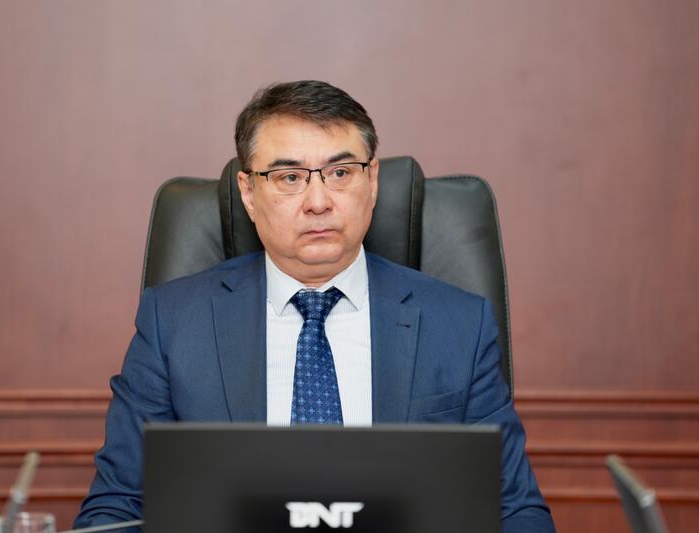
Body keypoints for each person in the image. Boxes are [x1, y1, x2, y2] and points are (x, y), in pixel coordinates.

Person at [74, 80, 556, 532]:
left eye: (340, 173)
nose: (318, 201)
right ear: (248, 192)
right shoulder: (174, 323)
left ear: (372, 181)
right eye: (289, 177)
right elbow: (117, 507)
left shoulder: (459, 325)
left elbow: (514, 510)